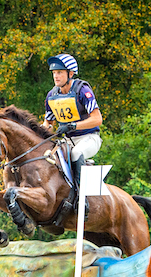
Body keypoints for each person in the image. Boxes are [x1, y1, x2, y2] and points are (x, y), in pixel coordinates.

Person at [42, 53, 103, 198]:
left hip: (88, 138)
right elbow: (48, 124)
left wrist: (72, 126)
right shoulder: (52, 95)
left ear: (70, 73)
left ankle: (80, 196)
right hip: (67, 141)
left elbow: (97, 119)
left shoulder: (83, 90)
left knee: (76, 154)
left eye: (60, 72)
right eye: (54, 73)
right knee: (47, 157)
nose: (56, 76)